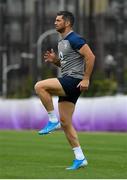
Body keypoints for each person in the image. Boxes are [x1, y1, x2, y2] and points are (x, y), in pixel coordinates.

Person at [34, 11, 95, 170]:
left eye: (58, 20)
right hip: (71, 82)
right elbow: (67, 66)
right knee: (66, 123)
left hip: (74, 81)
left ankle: (51, 120)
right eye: (55, 20)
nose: (55, 23)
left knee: (39, 86)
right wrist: (55, 61)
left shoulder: (74, 39)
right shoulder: (62, 42)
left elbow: (91, 57)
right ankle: (80, 158)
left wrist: (86, 78)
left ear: (67, 23)